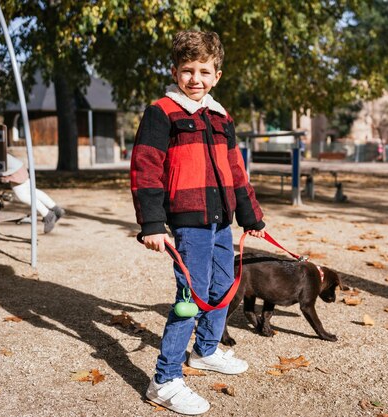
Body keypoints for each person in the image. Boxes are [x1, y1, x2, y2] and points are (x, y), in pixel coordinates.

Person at [130, 30, 266, 415]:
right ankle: (165, 379)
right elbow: (145, 169)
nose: (195, 79)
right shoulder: (162, 112)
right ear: (175, 72)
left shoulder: (222, 117)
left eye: (204, 71)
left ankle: (205, 350)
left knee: (223, 285)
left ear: (217, 75)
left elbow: (236, 171)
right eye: (187, 70)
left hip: (221, 221)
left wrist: (251, 216)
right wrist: (152, 224)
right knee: (191, 298)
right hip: (188, 222)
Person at [0, 154, 64, 233]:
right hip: (19, 166)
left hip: (14, 171)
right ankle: (56, 209)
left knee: (23, 196)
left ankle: (48, 215)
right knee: (32, 191)